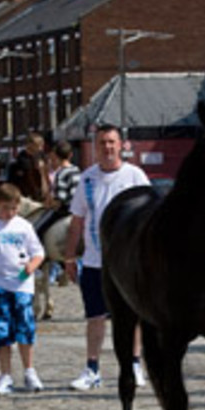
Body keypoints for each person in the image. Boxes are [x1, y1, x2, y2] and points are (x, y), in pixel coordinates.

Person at [63, 124, 149, 390]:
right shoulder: (87, 179)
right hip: (94, 261)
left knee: (133, 315)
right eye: (102, 143)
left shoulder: (135, 176)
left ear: (121, 145)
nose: (108, 148)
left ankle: (134, 364)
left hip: (128, 262)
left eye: (112, 142)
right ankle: (92, 368)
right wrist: (69, 257)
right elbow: (77, 220)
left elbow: (149, 215)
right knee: (95, 317)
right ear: (95, 146)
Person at [0, 182, 45, 394]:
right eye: (5, 208)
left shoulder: (24, 226)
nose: (9, 213)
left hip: (22, 285)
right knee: (0, 330)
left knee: (25, 328)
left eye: (14, 209)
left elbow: (38, 253)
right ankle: (5, 375)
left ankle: (29, 371)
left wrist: (30, 268)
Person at [48, 139, 80, 211]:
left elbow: (60, 198)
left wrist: (50, 204)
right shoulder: (76, 170)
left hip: (66, 210)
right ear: (70, 155)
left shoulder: (61, 173)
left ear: (56, 156)